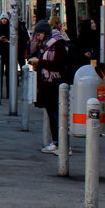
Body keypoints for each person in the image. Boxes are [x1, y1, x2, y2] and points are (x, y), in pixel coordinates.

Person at [28, 20, 69, 154]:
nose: (37, 37)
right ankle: (56, 142)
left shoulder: (58, 43)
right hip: (47, 83)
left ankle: (62, 144)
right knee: (52, 113)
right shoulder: (45, 44)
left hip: (55, 82)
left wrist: (40, 62)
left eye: (38, 34)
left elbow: (59, 64)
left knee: (56, 114)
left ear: (44, 33)